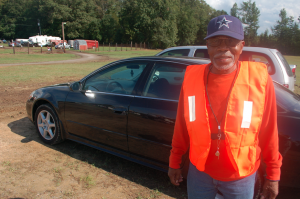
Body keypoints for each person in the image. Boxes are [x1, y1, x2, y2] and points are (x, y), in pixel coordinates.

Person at [168, 15, 282, 199]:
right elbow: (181, 125)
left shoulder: (259, 80)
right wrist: (174, 161)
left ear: (241, 46)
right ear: (208, 47)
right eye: (215, 42)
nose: (223, 48)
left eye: (231, 42)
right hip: (200, 173)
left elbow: (269, 130)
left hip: (241, 178)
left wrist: (273, 175)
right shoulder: (192, 78)